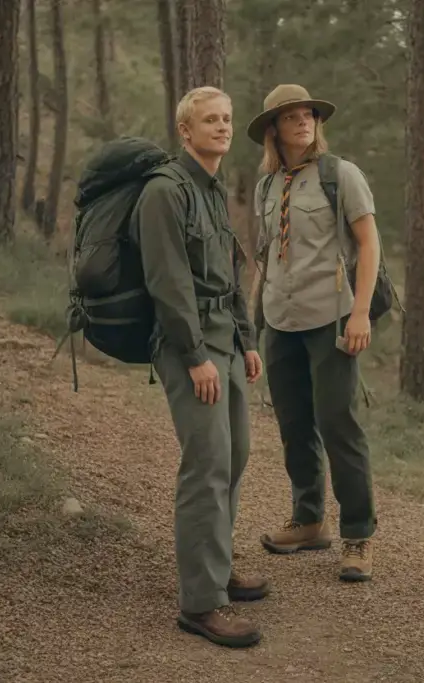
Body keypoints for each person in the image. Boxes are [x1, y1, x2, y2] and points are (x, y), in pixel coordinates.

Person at [132, 85, 269, 648]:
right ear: (185, 131)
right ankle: (200, 603)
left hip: (227, 341)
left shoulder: (211, 190)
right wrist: (195, 358)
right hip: (191, 345)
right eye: (209, 120)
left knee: (235, 455)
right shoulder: (166, 192)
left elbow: (229, 272)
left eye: (227, 119)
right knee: (206, 464)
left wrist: (248, 338)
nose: (222, 126)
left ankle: (217, 565)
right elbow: (168, 282)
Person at [247, 83, 380, 582]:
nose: (303, 121)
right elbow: (263, 258)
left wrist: (360, 312)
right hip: (280, 320)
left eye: (308, 114)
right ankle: (307, 520)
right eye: (291, 117)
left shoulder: (340, 176)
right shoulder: (266, 187)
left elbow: (369, 245)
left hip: (331, 319)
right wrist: (252, 325)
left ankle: (358, 535)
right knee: (294, 424)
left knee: (337, 423)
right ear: (273, 130)